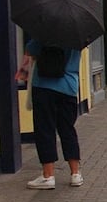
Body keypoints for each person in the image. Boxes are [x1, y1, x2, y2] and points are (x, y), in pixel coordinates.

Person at [14, 41, 84, 189]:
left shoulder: (45, 33)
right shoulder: (77, 36)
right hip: (69, 88)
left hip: (45, 86)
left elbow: (30, 49)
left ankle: (48, 176)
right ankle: (75, 174)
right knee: (68, 130)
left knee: (45, 130)